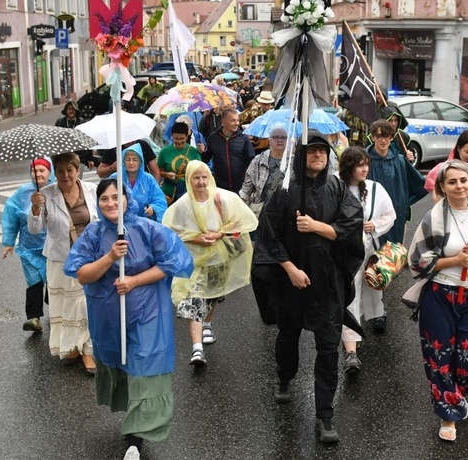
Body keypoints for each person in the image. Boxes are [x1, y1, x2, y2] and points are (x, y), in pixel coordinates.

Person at [64, 179, 194, 460]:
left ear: (127, 198)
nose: (110, 203)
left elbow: (176, 262)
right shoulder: (94, 234)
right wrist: (110, 256)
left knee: (145, 365)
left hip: (148, 312)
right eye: (104, 199)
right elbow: (81, 273)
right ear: (97, 203)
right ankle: (133, 423)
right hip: (109, 316)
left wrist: (135, 280)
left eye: (116, 197)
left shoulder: (148, 229)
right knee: (124, 364)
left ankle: (135, 438)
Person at [253, 131, 365, 444]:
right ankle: (285, 378)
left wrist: (316, 227)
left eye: (322, 151)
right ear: (301, 155)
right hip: (292, 284)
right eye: (312, 151)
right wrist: (289, 269)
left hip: (327, 285)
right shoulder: (286, 190)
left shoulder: (339, 188)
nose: (317, 156)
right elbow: (268, 235)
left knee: (328, 348)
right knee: (288, 336)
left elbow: (350, 229)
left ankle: (325, 414)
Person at [406, 159, 468, 442]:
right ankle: (448, 415)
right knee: (439, 358)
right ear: (443, 187)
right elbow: (417, 262)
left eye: (463, 180)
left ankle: (455, 397)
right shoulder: (434, 218)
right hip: (440, 296)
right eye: (452, 182)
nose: (459, 186)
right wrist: (454, 260)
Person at [162, 161, 258, 366]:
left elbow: (243, 223)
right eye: (196, 177)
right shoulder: (182, 205)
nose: (201, 182)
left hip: (218, 260)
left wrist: (220, 233)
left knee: (213, 294)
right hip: (192, 263)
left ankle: (207, 323)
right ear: (189, 180)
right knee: (193, 299)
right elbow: (170, 233)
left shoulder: (223, 199)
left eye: (204, 177)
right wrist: (195, 239)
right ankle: (197, 349)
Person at [29, 152, 98, 375]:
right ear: (54, 173)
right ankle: (72, 347)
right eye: (60, 171)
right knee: (67, 306)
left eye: (70, 170)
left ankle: (88, 350)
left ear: (78, 170)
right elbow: (35, 229)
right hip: (60, 259)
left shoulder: (91, 190)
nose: (65, 175)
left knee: (86, 304)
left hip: (89, 257)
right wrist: (36, 209)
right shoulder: (45, 194)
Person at [337, 147, 396, 374]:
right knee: (350, 294)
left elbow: (390, 215)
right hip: (344, 251)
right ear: (348, 166)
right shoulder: (336, 187)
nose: (364, 169)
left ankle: (375, 315)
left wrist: (376, 226)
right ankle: (351, 351)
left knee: (371, 285)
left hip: (368, 247)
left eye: (366, 164)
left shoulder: (374, 188)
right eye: (359, 164)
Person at [366, 119, 427, 332]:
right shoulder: (365, 159)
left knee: (387, 259)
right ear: (372, 136)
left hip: (395, 217)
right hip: (371, 219)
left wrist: (404, 203)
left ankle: (378, 304)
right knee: (372, 258)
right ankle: (375, 309)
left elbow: (419, 184)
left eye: (387, 136)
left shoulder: (399, 160)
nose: (382, 140)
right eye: (379, 135)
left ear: (392, 137)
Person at [1, 158, 55, 333]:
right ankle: (34, 318)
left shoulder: (56, 190)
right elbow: (11, 216)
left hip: (54, 249)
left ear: (50, 172)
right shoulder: (22, 193)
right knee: (34, 283)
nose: (38, 174)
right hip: (29, 249)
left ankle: (56, 313)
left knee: (53, 282)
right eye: (34, 170)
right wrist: (9, 242)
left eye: (42, 170)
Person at [202, 108, 255, 193]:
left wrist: (245, 177)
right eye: (233, 121)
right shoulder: (213, 138)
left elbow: (251, 160)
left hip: (240, 187)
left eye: (237, 120)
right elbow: (205, 159)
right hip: (220, 186)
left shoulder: (243, 138)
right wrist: (202, 152)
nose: (236, 123)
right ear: (223, 121)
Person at [111, 143, 168, 221]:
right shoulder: (115, 178)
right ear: (123, 162)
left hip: (144, 224)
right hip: (119, 223)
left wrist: (153, 209)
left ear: (141, 162)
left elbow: (160, 201)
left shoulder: (148, 179)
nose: (131, 163)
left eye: (135, 159)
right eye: (127, 159)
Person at [239, 126, 287, 218]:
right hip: (261, 212)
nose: (280, 140)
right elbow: (246, 190)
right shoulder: (258, 160)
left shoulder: (293, 162)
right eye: (276, 137)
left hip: (285, 213)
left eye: (283, 137)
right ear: (270, 140)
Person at [157, 120, 203, 205]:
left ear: (187, 136)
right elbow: (159, 171)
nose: (179, 141)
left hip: (189, 192)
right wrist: (167, 174)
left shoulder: (193, 151)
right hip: (169, 193)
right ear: (171, 136)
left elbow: (199, 172)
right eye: (176, 138)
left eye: (182, 138)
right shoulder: (164, 152)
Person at [55, 101, 95, 169]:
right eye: (69, 109)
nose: (71, 111)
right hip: (64, 158)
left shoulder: (82, 123)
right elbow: (55, 140)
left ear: (76, 110)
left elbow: (88, 141)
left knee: (77, 179)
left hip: (80, 158)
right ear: (66, 110)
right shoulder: (60, 122)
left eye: (73, 109)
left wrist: (90, 159)